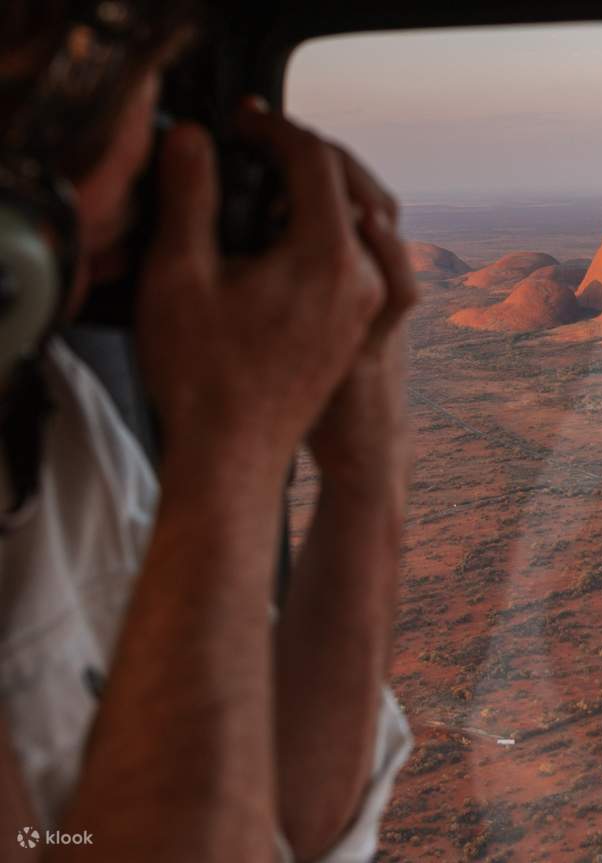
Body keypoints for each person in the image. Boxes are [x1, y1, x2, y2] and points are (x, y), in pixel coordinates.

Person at [0, 2, 416, 860]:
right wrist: (234, 448)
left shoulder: (61, 417)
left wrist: (364, 468)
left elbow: (288, 825)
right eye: (141, 136)